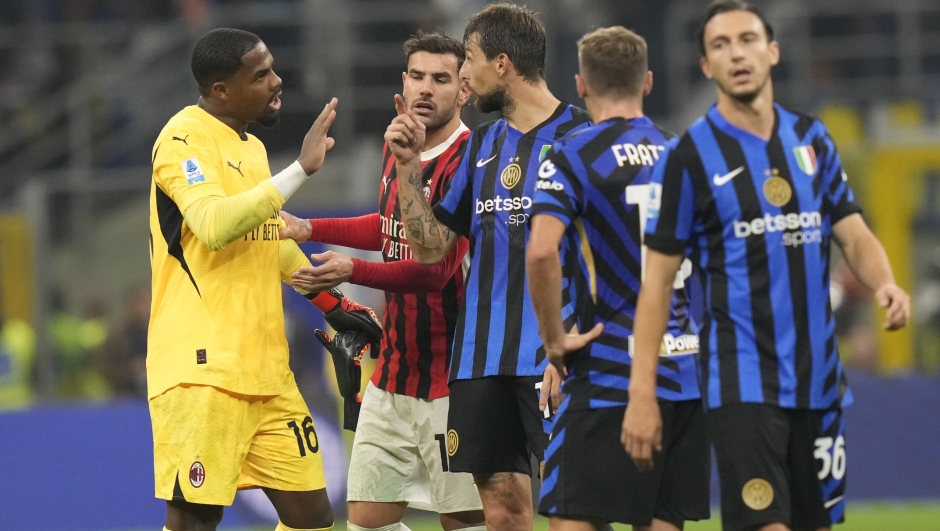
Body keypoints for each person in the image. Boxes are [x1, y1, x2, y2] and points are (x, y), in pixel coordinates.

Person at [621, 3, 912, 531]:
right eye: (721, 45)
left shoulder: (812, 140)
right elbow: (657, 285)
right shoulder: (687, 158)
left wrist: (887, 283)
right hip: (741, 379)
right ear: (706, 66)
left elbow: (853, 232)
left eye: (748, 39)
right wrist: (642, 393)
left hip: (818, 378)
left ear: (772, 51)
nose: (737, 53)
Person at [148, 28, 381, 531]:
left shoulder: (250, 149)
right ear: (221, 90)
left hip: (265, 371)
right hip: (201, 370)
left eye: (273, 68)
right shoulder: (181, 139)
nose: (277, 81)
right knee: (194, 520)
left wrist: (332, 303)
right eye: (261, 75)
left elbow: (267, 237)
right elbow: (212, 225)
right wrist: (301, 169)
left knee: (312, 517)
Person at [386, 5, 592, 531]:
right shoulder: (481, 145)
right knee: (499, 506)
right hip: (480, 358)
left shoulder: (583, 138)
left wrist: (570, 342)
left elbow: (605, 256)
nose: (464, 77)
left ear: (502, 64)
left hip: (555, 354)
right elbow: (431, 246)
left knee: (574, 505)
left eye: (470, 60)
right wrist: (410, 169)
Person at [279, 30, 486, 531]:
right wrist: (311, 227)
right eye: (417, 76)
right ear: (403, 82)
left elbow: (434, 269)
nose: (426, 88)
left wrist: (353, 269)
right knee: (367, 521)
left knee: (463, 522)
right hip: (392, 376)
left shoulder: (473, 161)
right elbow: (389, 224)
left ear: (464, 92)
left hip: (452, 381)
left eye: (441, 79)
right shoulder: (397, 147)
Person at [527, 26, 710, 531]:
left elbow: (541, 250)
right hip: (684, 374)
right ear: (648, 81)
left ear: (581, 86)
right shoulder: (687, 158)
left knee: (572, 520)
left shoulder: (571, 156)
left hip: (610, 370)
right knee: (662, 521)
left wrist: (554, 339)